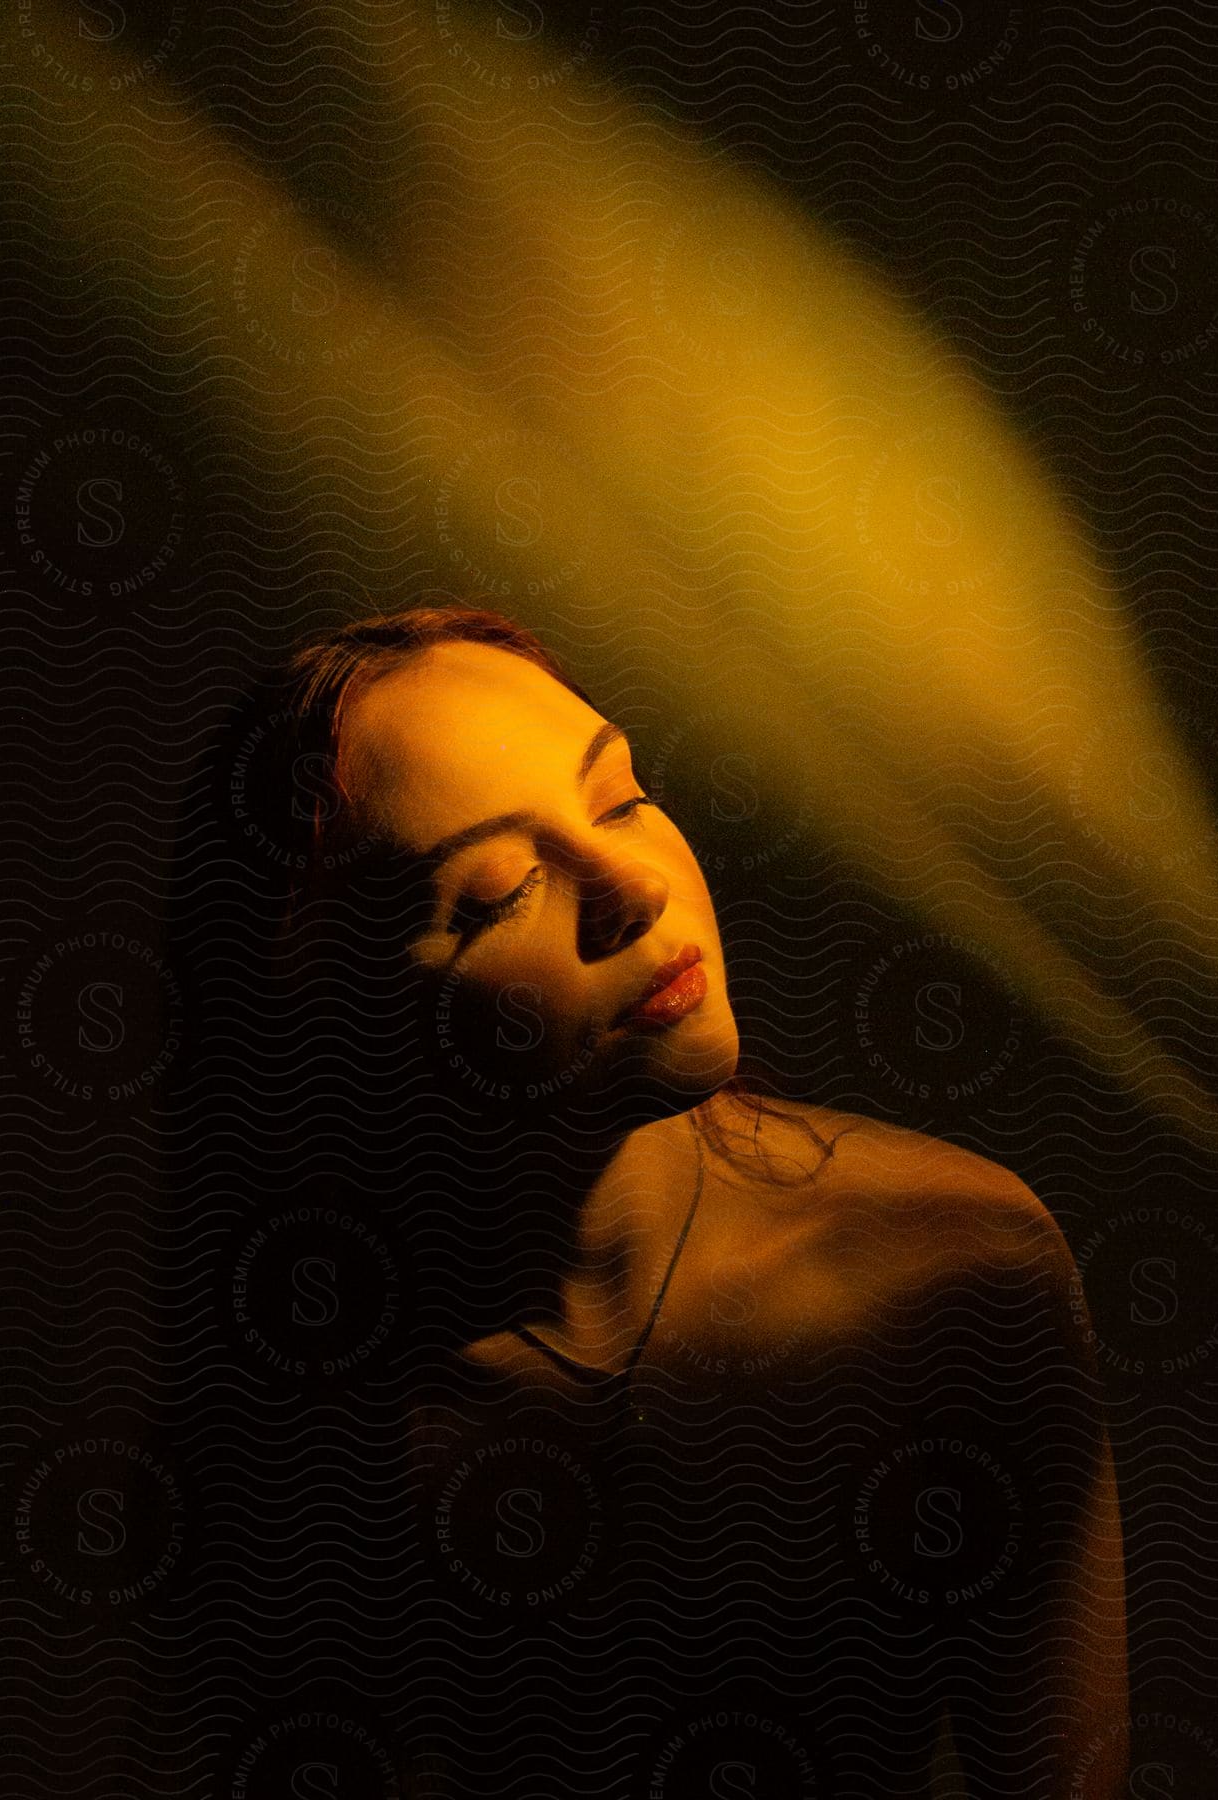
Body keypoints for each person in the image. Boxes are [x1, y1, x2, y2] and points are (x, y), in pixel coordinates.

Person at [275, 600, 1128, 1798]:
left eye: (620, 797)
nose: (628, 882)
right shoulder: (297, 1392)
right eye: (499, 892)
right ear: (345, 1021)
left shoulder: (958, 1270)